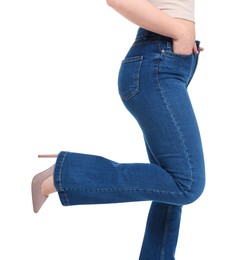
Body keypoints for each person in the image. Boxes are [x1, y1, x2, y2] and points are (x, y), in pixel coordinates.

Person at [31, 0, 206, 259]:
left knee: (167, 182)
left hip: (169, 64)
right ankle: (64, 174)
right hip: (158, 64)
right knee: (187, 184)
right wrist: (180, 32)